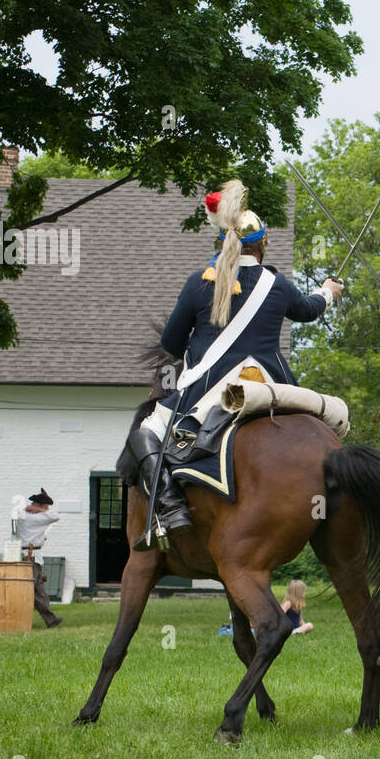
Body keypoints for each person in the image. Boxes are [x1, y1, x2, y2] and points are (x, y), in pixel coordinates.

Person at [129, 180, 342, 550]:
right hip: (272, 385)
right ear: (261, 246)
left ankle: (171, 506)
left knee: (147, 429)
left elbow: (170, 344)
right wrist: (329, 290)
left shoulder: (199, 283)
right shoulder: (276, 283)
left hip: (211, 389)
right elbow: (309, 310)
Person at [15, 488, 63, 628]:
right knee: (33, 590)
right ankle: (48, 619)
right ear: (41, 506)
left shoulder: (24, 514)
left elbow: (22, 513)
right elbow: (55, 516)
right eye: (45, 506)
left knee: (39, 589)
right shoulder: (36, 517)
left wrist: (34, 508)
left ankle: (50, 619)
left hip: (31, 556)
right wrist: (41, 511)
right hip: (32, 557)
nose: (47, 509)